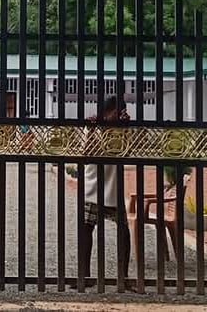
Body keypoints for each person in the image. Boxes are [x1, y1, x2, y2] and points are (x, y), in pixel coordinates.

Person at [77, 95, 131, 285]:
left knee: (123, 231)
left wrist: (125, 128)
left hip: (113, 186)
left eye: (117, 113)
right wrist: (91, 130)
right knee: (86, 229)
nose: (113, 116)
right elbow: (86, 153)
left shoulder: (123, 130)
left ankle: (123, 276)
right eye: (112, 112)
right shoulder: (94, 126)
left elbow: (131, 150)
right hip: (93, 185)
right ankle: (85, 275)